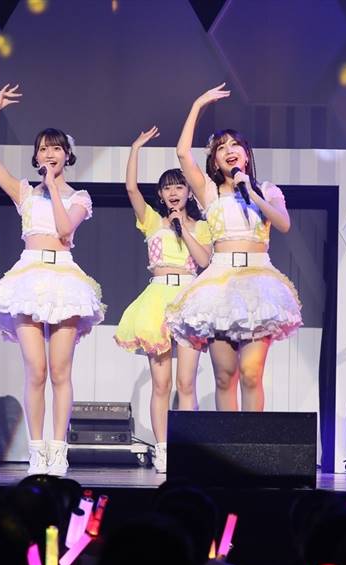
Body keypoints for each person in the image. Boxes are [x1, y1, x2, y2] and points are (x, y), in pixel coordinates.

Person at [0, 84, 105, 476]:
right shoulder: (24, 194)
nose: (50, 154)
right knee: (35, 370)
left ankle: (58, 449)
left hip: (64, 277)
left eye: (56, 148)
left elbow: (65, 231)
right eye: (43, 149)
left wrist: (52, 186)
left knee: (60, 371)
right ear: (35, 156)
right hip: (28, 277)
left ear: (67, 155)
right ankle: (36, 450)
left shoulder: (79, 197)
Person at [167, 84, 301, 412]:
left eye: (235, 144)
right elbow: (182, 152)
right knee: (225, 376)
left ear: (246, 154)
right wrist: (198, 104)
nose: (229, 150)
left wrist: (252, 193)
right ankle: (228, 442)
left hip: (258, 279)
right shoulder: (209, 191)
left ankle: (252, 441)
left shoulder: (267, 190)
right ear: (214, 160)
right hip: (220, 281)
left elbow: (283, 224)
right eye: (221, 147)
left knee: (252, 374)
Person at [115, 126, 210, 473]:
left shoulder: (202, 226)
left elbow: (203, 261)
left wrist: (183, 227)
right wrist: (135, 147)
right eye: (167, 187)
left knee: (186, 383)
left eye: (179, 186)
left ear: (189, 191)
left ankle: (187, 448)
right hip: (157, 299)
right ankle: (164, 449)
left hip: (188, 298)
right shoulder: (152, 220)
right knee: (161, 384)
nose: (173, 192)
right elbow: (130, 188)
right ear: (160, 193)